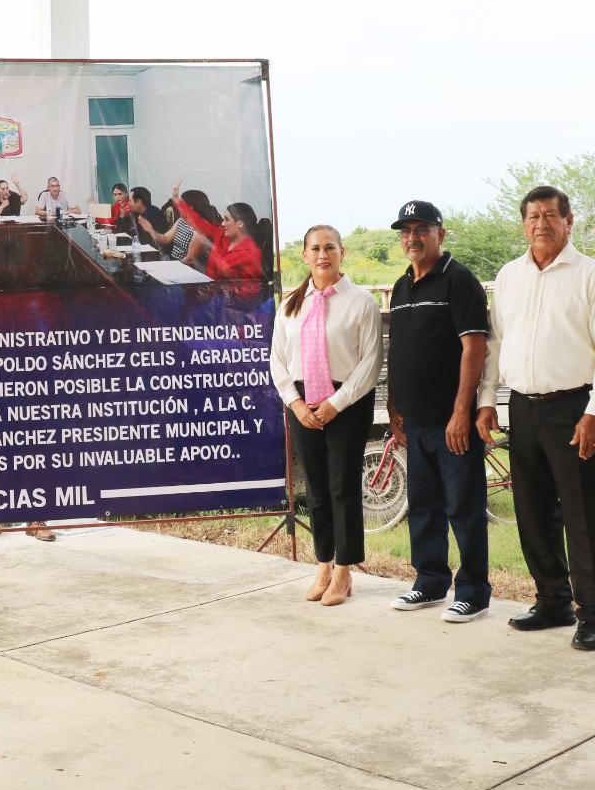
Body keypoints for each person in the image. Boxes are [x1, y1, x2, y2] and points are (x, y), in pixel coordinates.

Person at [477, 185, 595, 651]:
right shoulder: (509, 276)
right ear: (523, 223)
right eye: (532, 216)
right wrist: (487, 400)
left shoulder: (592, 275)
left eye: (550, 216)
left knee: (581, 514)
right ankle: (553, 599)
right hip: (522, 407)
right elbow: (496, 344)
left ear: (569, 221)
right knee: (533, 512)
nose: (541, 223)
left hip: (574, 408)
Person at [384, 201, 492, 623]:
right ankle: (429, 582)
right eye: (406, 230)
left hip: (452, 423)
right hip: (414, 421)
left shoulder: (459, 280)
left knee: (463, 507)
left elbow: (474, 347)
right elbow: (401, 350)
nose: (413, 237)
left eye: (422, 229)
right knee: (424, 505)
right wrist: (394, 404)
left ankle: (474, 592)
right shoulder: (400, 286)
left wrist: (461, 412)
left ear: (440, 234)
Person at [270, 225, 382, 606]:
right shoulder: (290, 306)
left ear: (342, 253)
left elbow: (371, 363)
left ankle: (344, 572)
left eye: (329, 247)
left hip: (346, 402)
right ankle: (322, 564)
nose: (323, 255)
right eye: (315, 248)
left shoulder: (362, 302)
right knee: (316, 490)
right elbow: (278, 362)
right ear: (304, 255)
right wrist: (296, 403)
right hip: (303, 403)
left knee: (341, 487)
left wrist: (338, 401)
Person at [171, 184, 268, 290]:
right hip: (210, 294)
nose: (222, 223)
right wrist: (177, 200)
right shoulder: (221, 234)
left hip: (232, 303)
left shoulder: (251, 252)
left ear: (240, 223)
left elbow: (225, 271)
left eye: (226, 219)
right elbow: (197, 222)